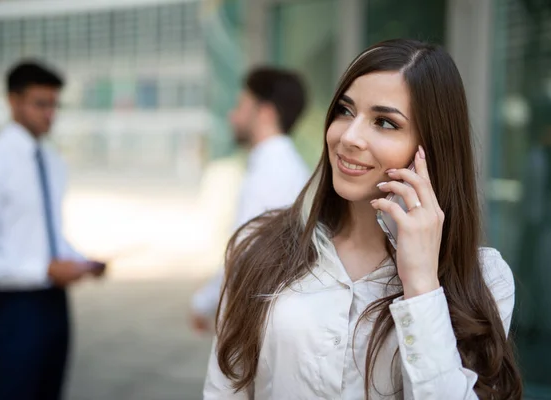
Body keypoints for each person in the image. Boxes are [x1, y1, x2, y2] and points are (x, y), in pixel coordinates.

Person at [204, 39, 522, 399]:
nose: (350, 137)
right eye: (345, 110)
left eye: (385, 122)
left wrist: (421, 284)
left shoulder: (483, 278)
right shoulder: (259, 248)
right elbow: (224, 390)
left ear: (432, 146)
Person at [0, 60, 106, 400]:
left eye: (54, 104)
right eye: (40, 103)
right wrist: (41, 270)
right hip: (14, 306)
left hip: (55, 302)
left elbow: (46, 231)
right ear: (13, 101)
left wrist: (80, 261)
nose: (49, 113)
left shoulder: (52, 160)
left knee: (50, 390)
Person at [190, 66, 310, 332]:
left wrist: (203, 302)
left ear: (265, 112)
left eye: (241, 105)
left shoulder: (273, 171)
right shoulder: (280, 165)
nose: (233, 115)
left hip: (259, 321)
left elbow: (245, 250)